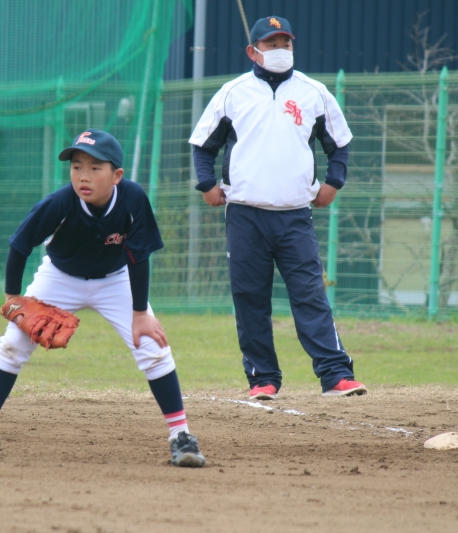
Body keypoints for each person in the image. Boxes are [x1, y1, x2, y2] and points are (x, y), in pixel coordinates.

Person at [0, 128, 205, 467]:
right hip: (60, 278)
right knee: (13, 344)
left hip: (115, 280)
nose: (83, 176)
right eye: (76, 167)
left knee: (152, 347)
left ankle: (181, 436)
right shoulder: (60, 203)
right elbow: (19, 245)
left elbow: (139, 257)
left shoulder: (132, 199)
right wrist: (13, 299)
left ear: (117, 175)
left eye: (94, 167)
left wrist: (140, 315)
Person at [188, 15, 367, 400]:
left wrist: (334, 182)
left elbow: (339, 144)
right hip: (245, 215)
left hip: (295, 215)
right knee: (250, 298)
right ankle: (263, 378)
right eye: (272, 44)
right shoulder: (232, 93)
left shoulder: (314, 92)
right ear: (253, 51)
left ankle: (336, 374)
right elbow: (203, 146)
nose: (281, 50)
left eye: (286, 43)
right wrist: (207, 185)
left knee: (310, 295)